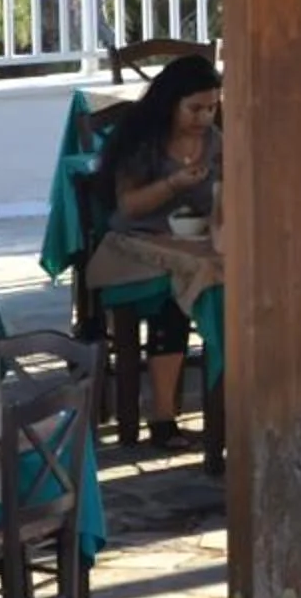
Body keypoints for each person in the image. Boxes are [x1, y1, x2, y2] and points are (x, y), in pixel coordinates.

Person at [96, 54, 224, 447]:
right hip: (131, 249)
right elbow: (127, 206)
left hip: (191, 244)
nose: (204, 117)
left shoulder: (216, 142)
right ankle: (163, 417)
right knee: (177, 295)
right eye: (195, 108)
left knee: (220, 284)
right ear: (172, 102)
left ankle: (225, 405)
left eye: (212, 107)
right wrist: (173, 185)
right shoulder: (144, 140)